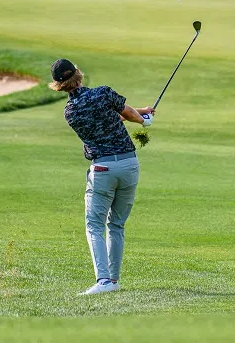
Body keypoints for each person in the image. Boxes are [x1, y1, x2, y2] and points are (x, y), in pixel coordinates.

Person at [49, 58, 154, 296]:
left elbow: (109, 119)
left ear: (59, 85)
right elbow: (122, 114)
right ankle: (113, 280)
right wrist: (143, 119)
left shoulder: (71, 112)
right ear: (79, 74)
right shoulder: (103, 93)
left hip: (103, 170)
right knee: (116, 224)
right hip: (129, 164)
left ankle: (104, 281)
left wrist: (140, 113)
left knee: (95, 225)